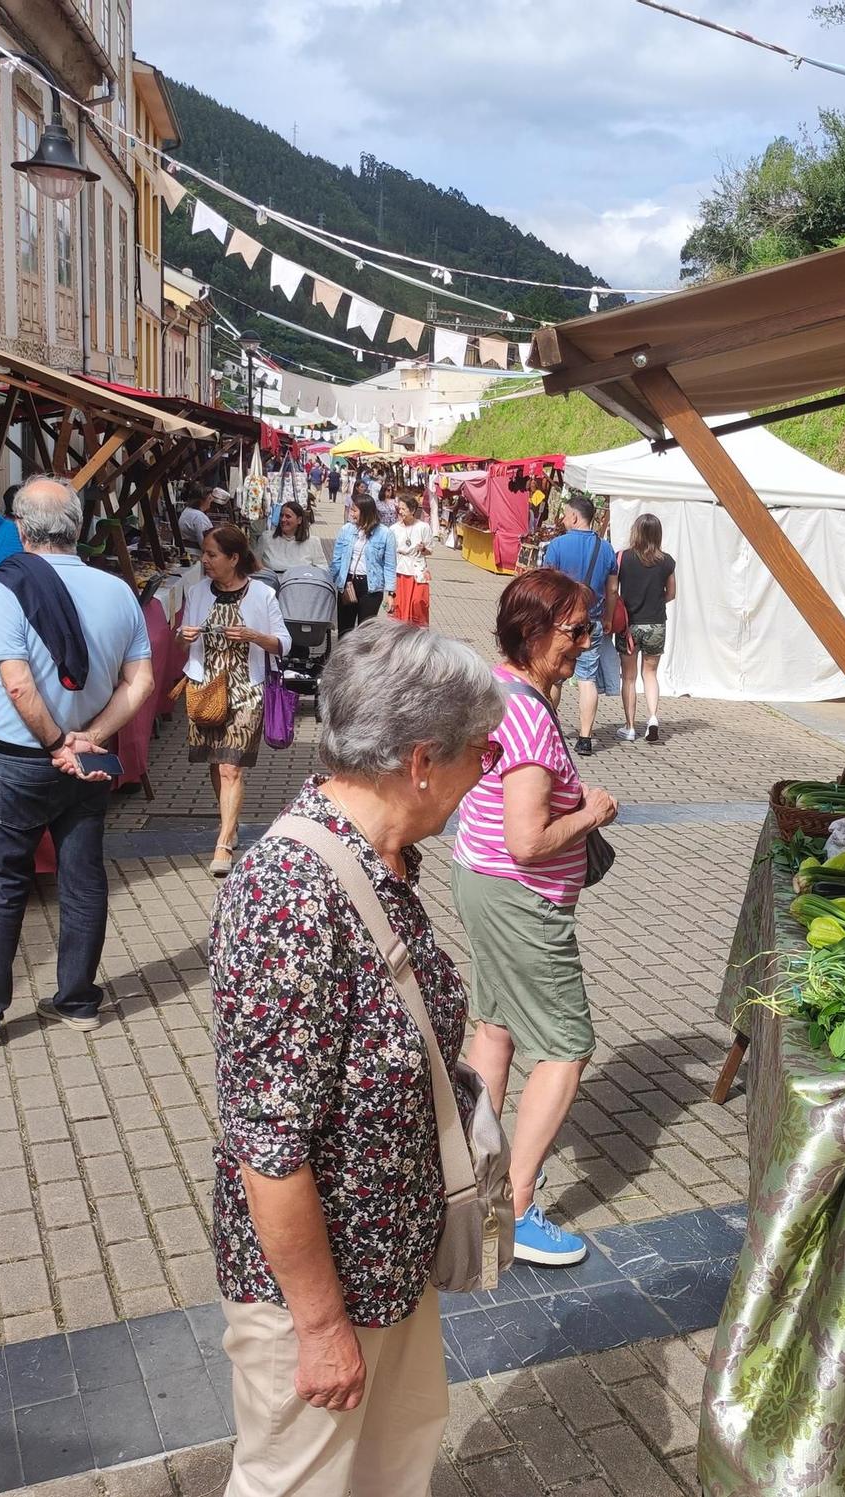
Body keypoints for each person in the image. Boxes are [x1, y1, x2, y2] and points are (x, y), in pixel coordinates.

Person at [210, 622, 506, 1497]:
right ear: (421, 761)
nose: (483, 773)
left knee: (392, 1464)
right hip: (323, 1286)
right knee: (294, 1483)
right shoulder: (289, 896)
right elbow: (270, 1148)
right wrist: (320, 1325)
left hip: (388, 1258)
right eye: (477, 756)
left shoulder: (382, 860)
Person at [0, 476, 155, 1050]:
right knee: (83, 880)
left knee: (3, 884)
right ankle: (77, 1003)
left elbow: (18, 685)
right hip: (90, 758)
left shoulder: (9, 585)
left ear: (21, 528)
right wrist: (90, 737)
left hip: (26, 760)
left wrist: (57, 744)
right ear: (77, 527)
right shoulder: (118, 590)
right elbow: (142, 681)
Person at [456, 569, 619, 1267]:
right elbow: (529, 839)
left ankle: (469, 1183)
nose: (585, 644)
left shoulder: (496, 689)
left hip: (482, 881)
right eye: (575, 630)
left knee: (494, 1029)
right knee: (566, 1045)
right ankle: (514, 1210)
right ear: (531, 634)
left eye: (589, 630)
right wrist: (591, 813)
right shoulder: (525, 712)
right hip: (522, 897)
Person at [180, 524, 291, 878]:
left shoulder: (261, 595)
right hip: (206, 688)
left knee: (231, 767)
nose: (205, 560)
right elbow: (185, 642)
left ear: (233, 558)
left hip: (246, 689)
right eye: (205, 553)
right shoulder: (198, 592)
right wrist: (184, 636)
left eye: (212, 554)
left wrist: (254, 635)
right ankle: (229, 821)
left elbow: (284, 643)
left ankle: (224, 840)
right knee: (217, 763)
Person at [539, 493, 619, 756]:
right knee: (587, 679)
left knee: (555, 677)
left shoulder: (557, 546)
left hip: (561, 623)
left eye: (564, 514)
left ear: (574, 516)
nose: (563, 519)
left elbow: (546, 586)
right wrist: (607, 617)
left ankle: (550, 728)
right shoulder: (606, 549)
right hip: (591, 623)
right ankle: (585, 738)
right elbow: (612, 589)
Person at [613, 512, 676, 745]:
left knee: (629, 678)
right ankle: (652, 718)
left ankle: (629, 727)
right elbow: (671, 593)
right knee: (650, 674)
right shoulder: (667, 561)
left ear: (635, 532)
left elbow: (613, 591)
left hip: (629, 626)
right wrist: (656, 602)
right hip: (656, 624)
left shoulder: (622, 558)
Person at [331, 495, 395, 637]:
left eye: (354, 510)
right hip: (347, 584)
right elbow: (336, 560)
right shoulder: (346, 530)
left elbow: (390, 566)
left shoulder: (385, 533)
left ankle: (362, 659)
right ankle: (343, 659)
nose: (351, 513)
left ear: (365, 511)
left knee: (365, 633)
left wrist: (391, 594)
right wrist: (334, 582)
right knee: (344, 630)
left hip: (371, 587)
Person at [389, 495, 433, 628]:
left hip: (417, 569)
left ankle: (419, 634)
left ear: (412, 510)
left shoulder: (423, 527)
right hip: (400, 570)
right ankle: (398, 635)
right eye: (399, 508)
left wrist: (423, 548)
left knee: (418, 602)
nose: (400, 512)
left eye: (404, 509)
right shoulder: (393, 529)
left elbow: (429, 551)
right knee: (400, 605)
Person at [260, 500, 324, 577]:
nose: (283, 519)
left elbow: (323, 570)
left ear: (299, 520)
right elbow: (254, 566)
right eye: (281, 515)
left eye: (288, 516)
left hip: (301, 586)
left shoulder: (313, 542)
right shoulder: (266, 538)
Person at [179, 484, 217, 554]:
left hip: (188, 550)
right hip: (196, 553)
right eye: (209, 498)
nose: (211, 501)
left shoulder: (186, 511)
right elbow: (204, 541)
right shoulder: (199, 516)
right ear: (202, 501)